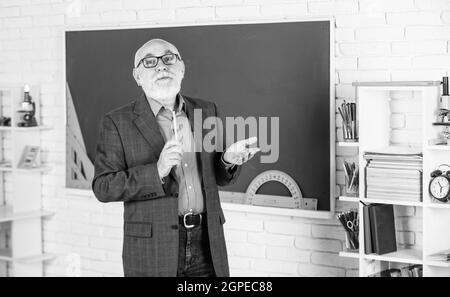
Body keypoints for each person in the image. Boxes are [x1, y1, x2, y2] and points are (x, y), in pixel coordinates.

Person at [92, 38, 259, 277]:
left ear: (181, 68)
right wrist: (157, 171)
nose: (161, 67)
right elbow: (103, 187)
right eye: (149, 62)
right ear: (137, 76)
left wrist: (228, 160)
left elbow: (218, 179)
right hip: (153, 249)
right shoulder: (117, 122)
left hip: (207, 243)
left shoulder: (206, 111)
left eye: (168, 59)